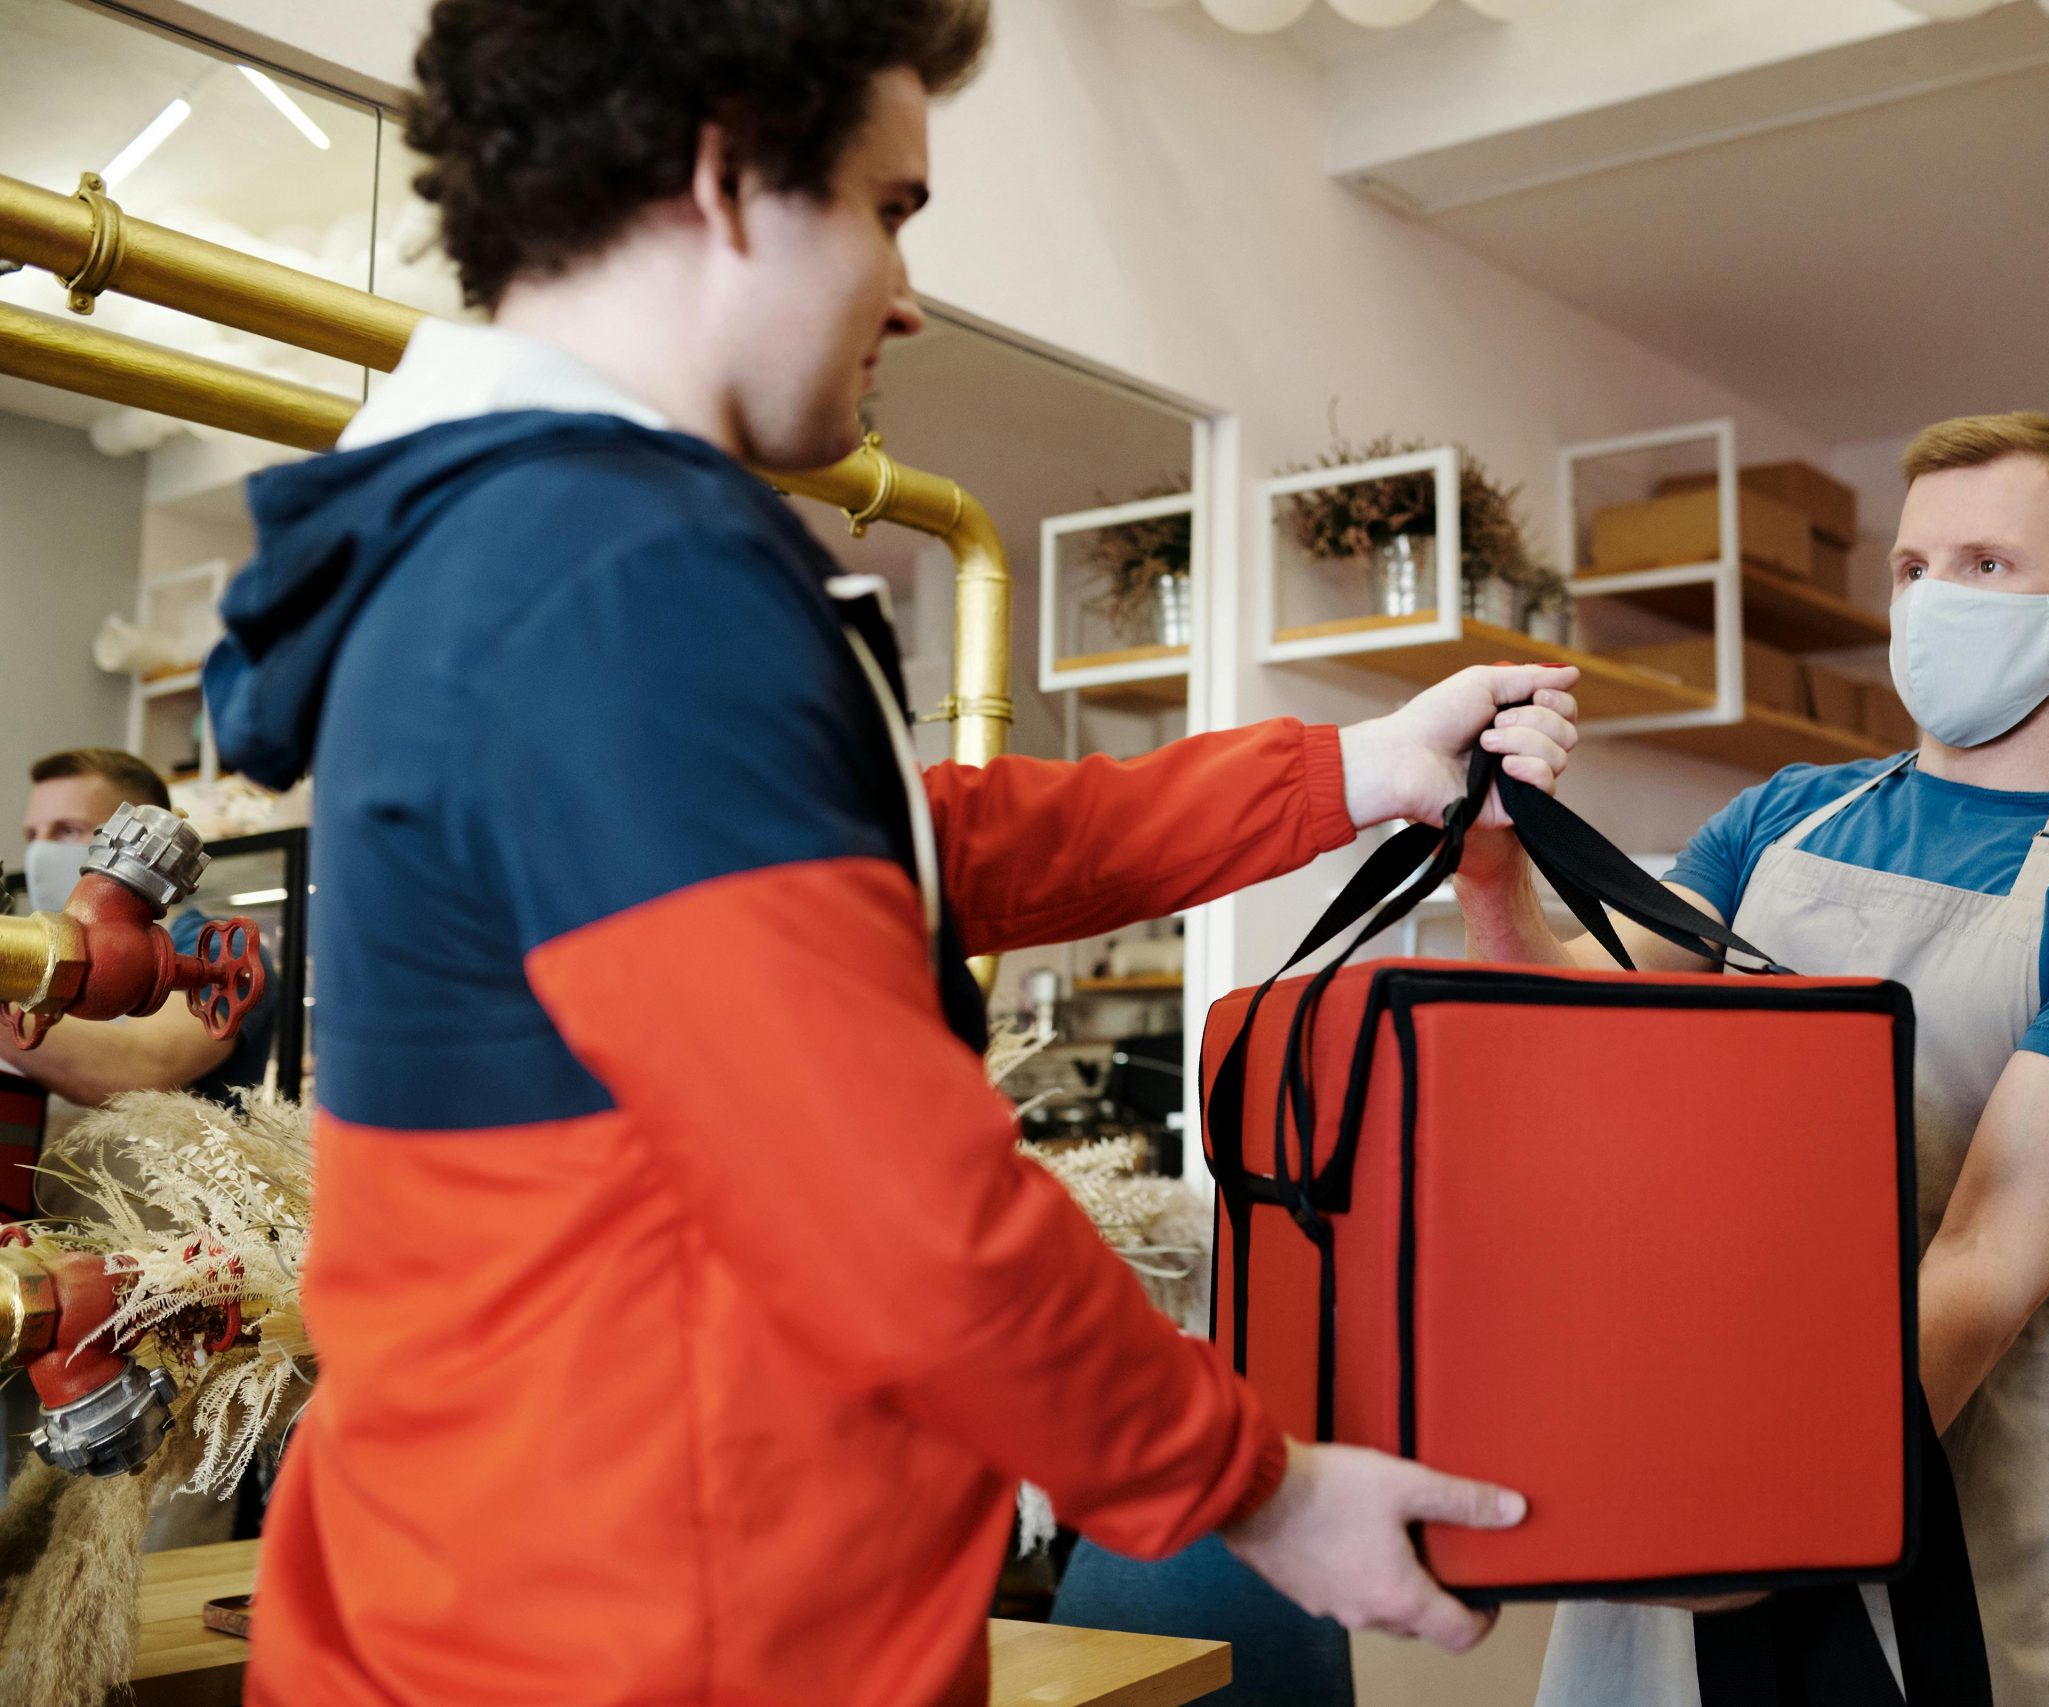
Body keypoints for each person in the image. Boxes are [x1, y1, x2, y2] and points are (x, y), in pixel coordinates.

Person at [200, 3, 1585, 1703]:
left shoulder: (539, 556)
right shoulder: (608, 582)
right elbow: (890, 1196)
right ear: (725, 175)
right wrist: (1259, 1487)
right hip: (630, 1641)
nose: (908, 292)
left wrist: (1357, 766)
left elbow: (915, 849)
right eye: (892, 205)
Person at [1460, 413, 2049, 1706]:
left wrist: (1775, 1504)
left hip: (1928, 1535)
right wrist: (1489, 866)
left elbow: (1985, 1259)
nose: (1935, 597)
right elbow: (1566, 1036)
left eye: (1987, 564)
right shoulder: (1782, 816)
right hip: (1669, 1499)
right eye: (1912, 566)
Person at [2, 749, 279, 1159]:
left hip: (166, 1210)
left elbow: (141, 1068)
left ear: (138, 837)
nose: (40, 853)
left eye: (67, 831)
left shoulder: (218, 952)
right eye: (34, 835)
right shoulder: (32, 946)